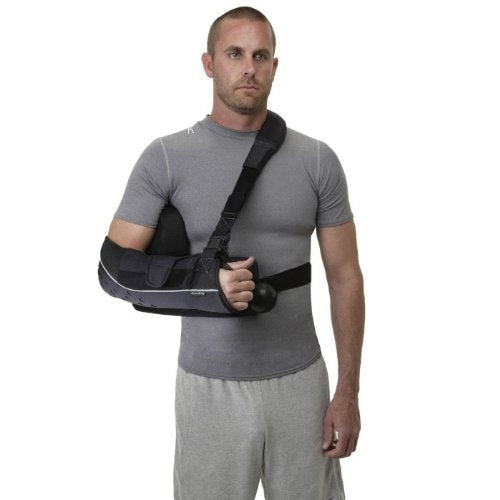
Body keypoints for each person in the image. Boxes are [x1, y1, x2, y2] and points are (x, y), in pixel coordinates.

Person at [100, 6, 364, 500]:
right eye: (235, 54)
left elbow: (345, 275)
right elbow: (113, 270)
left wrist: (347, 391)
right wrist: (204, 285)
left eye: (260, 56)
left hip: (301, 384)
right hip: (208, 387)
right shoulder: (166, 158)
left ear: (275, 67)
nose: (248, 68)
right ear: (209, 63)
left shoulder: (317, 160)